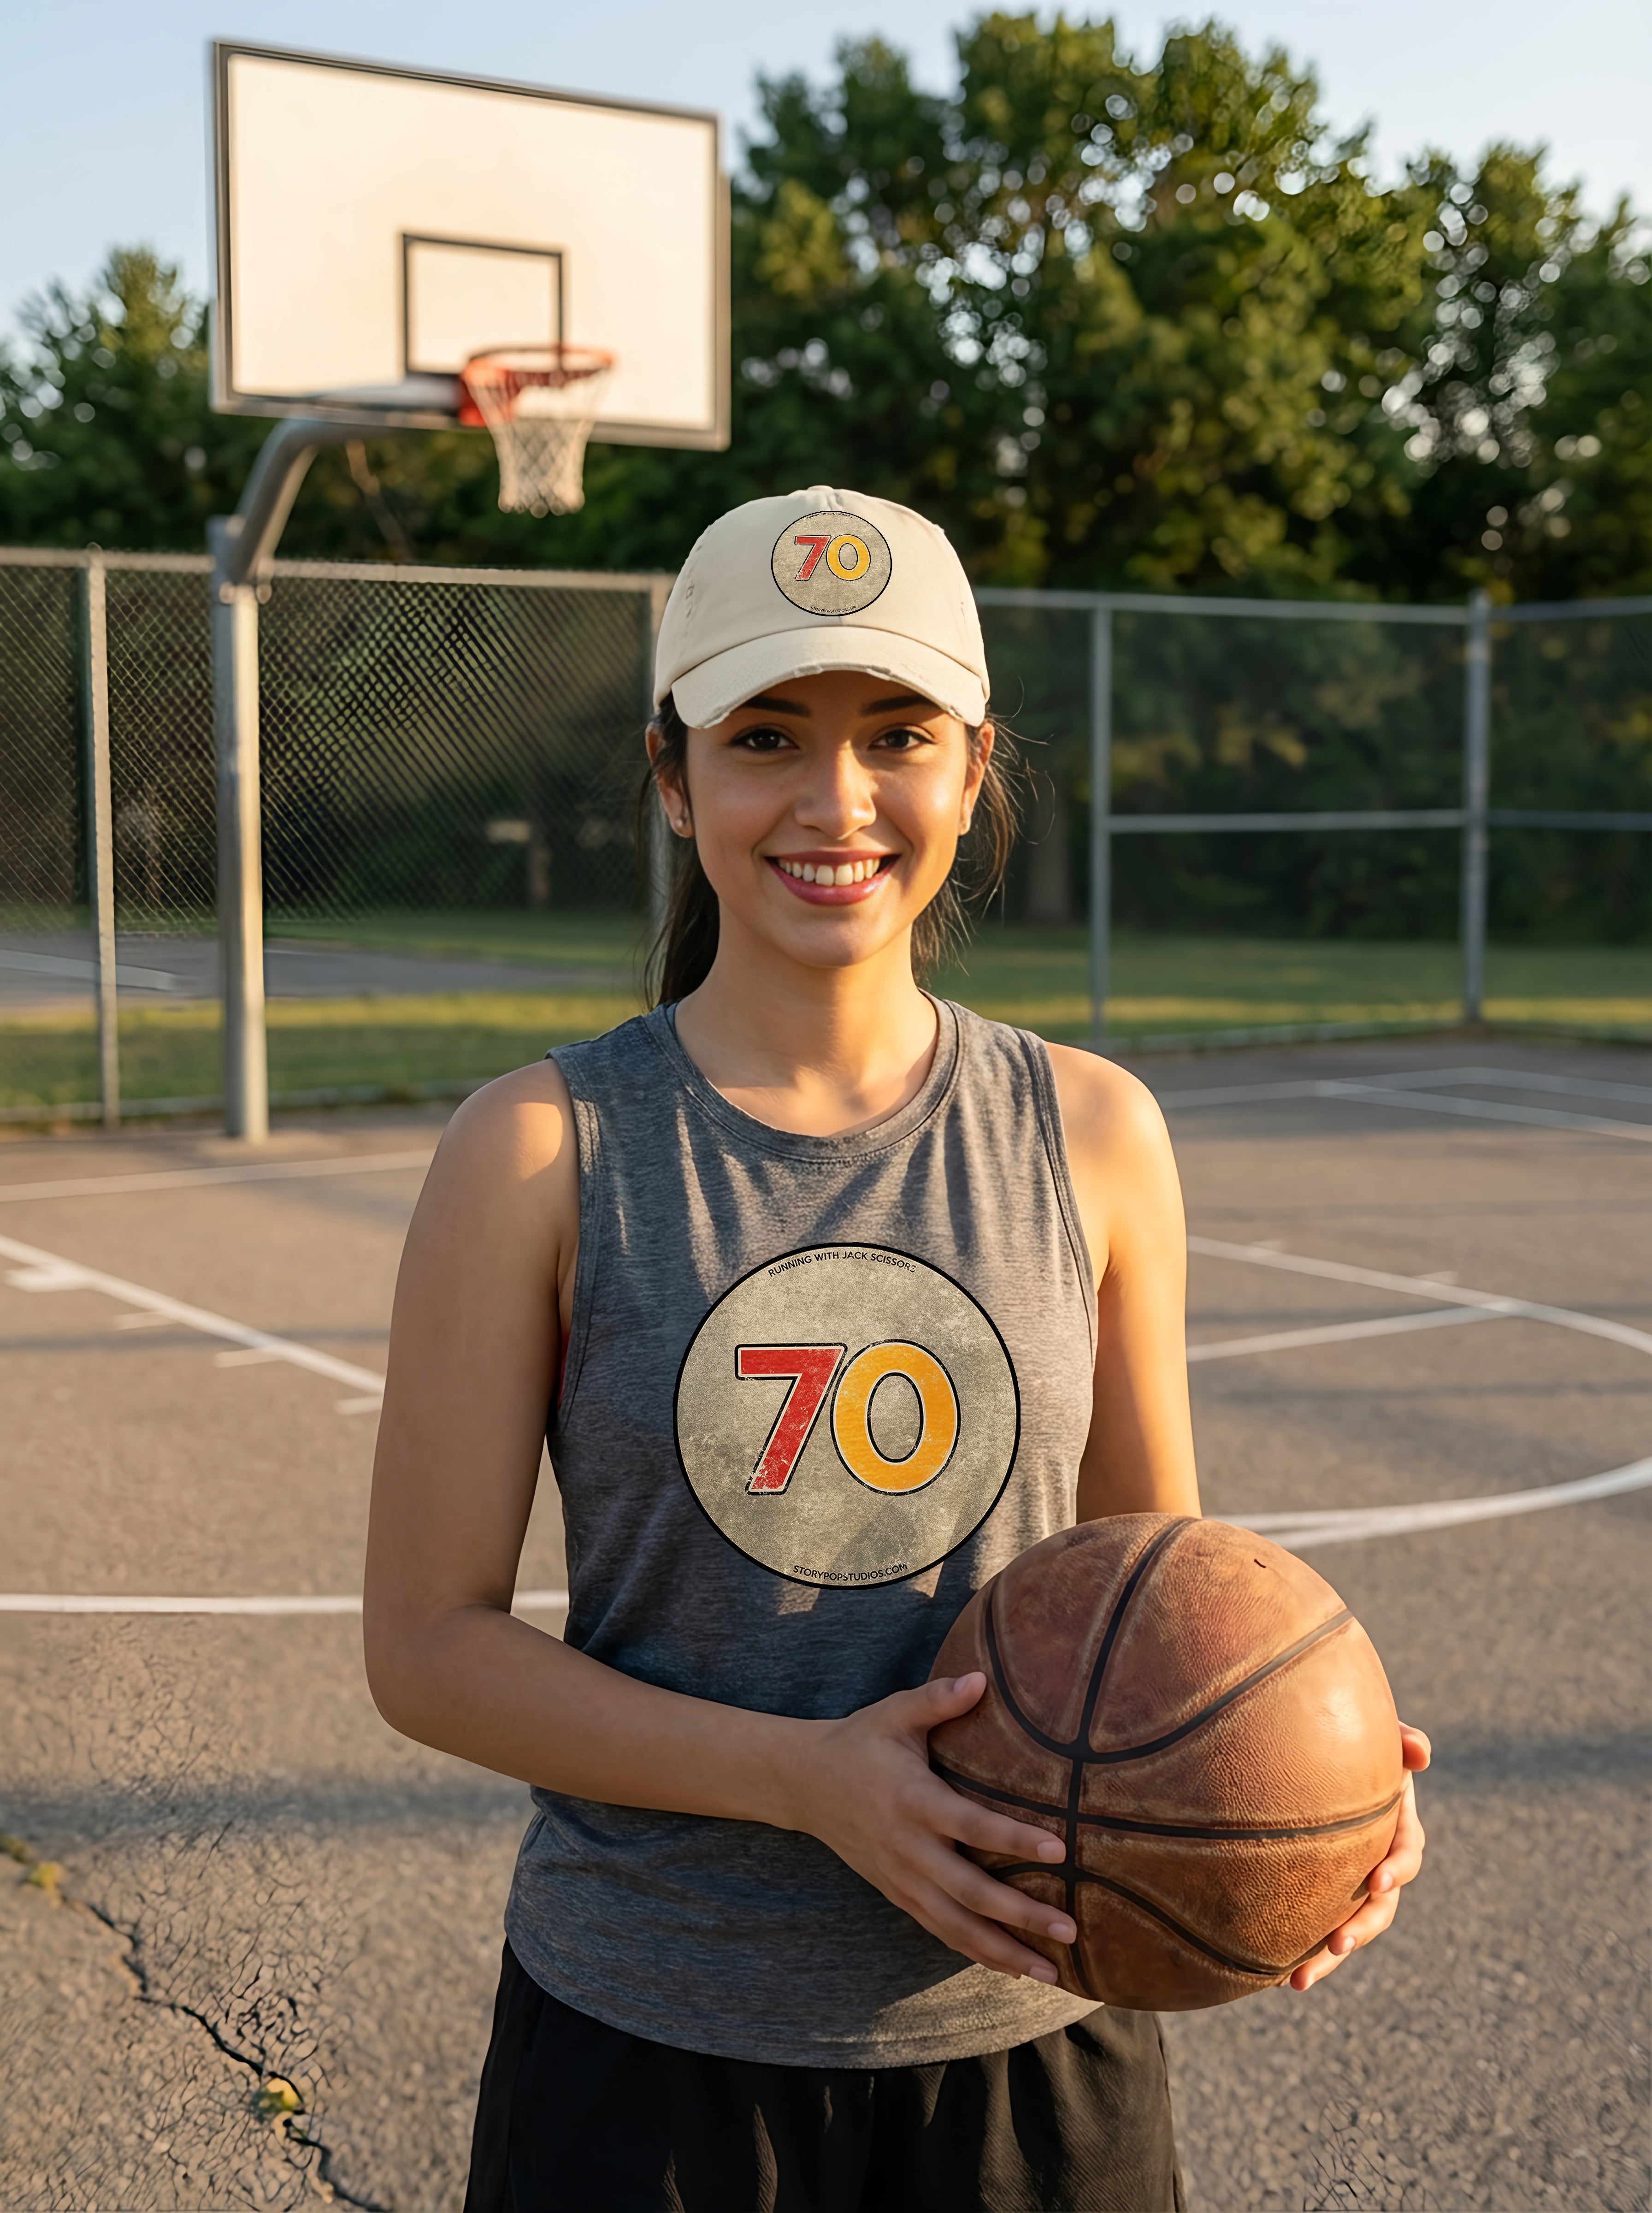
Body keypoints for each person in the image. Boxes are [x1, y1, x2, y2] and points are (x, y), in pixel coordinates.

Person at [363, 487, 1428, 2213]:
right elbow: (426, 1650)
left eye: (897, 734)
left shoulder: (1091, 1130)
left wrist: (1309, 1806)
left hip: (1030, 2039)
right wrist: (805, 1783)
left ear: (974, 764)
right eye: (767, 734)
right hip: (650, 2040)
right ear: (673, 773)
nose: (834, 800)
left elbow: (1162, 1597)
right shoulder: (545, 1147)